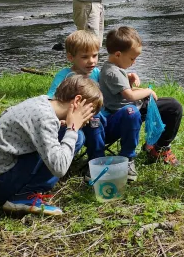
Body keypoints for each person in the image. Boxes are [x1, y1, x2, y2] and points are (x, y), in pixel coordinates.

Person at [0, 75, 102, 217]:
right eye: (90, 111)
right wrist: (72, 128)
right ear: (77, 101)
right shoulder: (45, 118)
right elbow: (59, 168)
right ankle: (23, 196)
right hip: (1, 185)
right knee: (76, 136)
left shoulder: (43, 103)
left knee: (77, 137)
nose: (91, 118)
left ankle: (23, 191)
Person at [100, 26, 183, 180]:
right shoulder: (112, 72)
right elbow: (129, 96)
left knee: (172, 105)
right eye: (132, 58)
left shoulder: (115, 68)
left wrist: (129, 79)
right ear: (118, 54)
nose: (134, 62)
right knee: (173, 108)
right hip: (125, 115)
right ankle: (160, 148)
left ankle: (157, 146)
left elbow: (122, 93)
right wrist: (148, 91)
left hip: (132, 108)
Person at [47, 29, 140, 162]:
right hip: (81, 127)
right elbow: (51, 102)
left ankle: (128, 158)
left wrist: (128, 82)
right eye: (85, 57)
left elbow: (112, 94)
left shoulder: (98, 73)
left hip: (107, 124)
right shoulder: (64, 76)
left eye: (95, 56)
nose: (91, 61)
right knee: (93, 114)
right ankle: (97, 161)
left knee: (132, 111)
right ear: (70, 57)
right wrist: (61, 119)